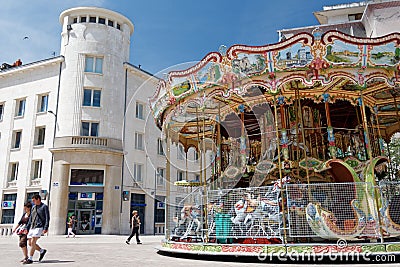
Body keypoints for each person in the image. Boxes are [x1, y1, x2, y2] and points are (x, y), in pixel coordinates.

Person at [23, 194, 50, 264]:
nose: (33, 202)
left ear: (38, 199)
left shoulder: (44, 207)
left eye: (34, 200)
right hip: (32, 227)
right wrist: (27, 228)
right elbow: (30, 219)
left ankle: (30, 259)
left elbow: (47, 218)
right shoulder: (33, 207)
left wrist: (46, 227)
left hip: (39, 226)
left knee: (33, 242)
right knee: (30, 243)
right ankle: (42, 251)